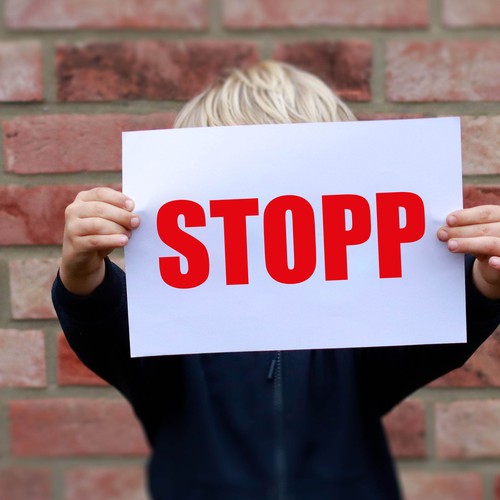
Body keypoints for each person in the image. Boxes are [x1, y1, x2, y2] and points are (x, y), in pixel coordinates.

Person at [52, 61, 500, 500]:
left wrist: (485, 281)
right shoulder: (168, 324)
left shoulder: (359, 318)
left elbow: (427, 332)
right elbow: (107, 324)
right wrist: (82, 270)